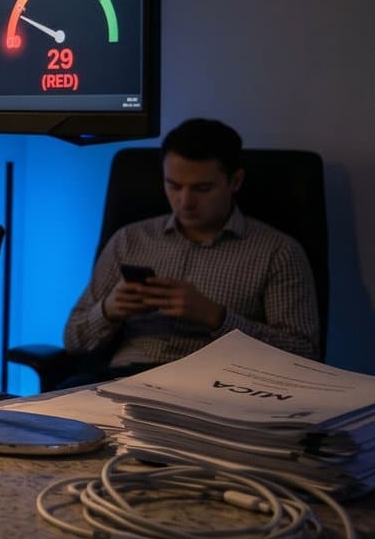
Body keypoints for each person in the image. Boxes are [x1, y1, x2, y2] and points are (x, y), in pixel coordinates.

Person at [62, 118, 320, 377]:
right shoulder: (129, 239)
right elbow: (74, 340)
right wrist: (108, 310)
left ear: (235, 181)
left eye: (202, 189)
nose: (185, 202)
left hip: (218, 386)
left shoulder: (277, 251)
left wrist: (217, 317)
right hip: (127, 379)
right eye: (173, 185)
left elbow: (302, 355)